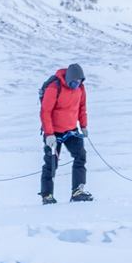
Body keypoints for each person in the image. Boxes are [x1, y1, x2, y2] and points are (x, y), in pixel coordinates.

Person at [39, 62, 93, 205]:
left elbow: (82, 107)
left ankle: (78, 191)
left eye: (79, 82)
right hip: (53, 133)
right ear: (68, 79)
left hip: (71, 130)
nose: (77, 84)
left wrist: (83, 125)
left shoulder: (81, 88)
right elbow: (45, 112)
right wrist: (49, 134)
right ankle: (47, 195)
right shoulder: (54, 87)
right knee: (51, 163)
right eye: (74, 82)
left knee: (81, 156)